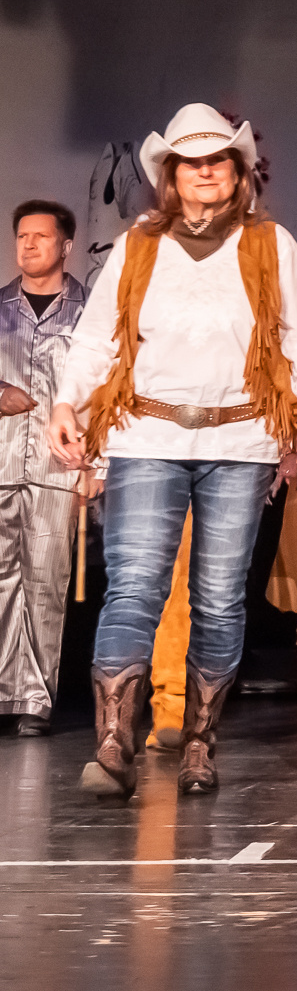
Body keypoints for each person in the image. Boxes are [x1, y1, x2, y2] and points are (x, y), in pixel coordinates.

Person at [50, 103, 297, 798]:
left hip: (240, 440)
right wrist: (66, 403)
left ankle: (201, 740)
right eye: (190, 162)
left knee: (217, 597)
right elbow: (96, 339)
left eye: (217, 161)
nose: (204, 172)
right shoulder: (139, 245)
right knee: (135, 586)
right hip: (148, 433)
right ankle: (113, 743)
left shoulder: (272, 245)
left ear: (238, 172)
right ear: (170, 175)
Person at [0, 202, 90, 736]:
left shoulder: (90, 311)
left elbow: (106, 389)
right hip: (2, 459)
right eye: (22, 236)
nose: (29, 244)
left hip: (59, 466)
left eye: (41, 236)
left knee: (45, 582)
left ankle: (33, 699)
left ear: (66, 246)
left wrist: (95, 465)